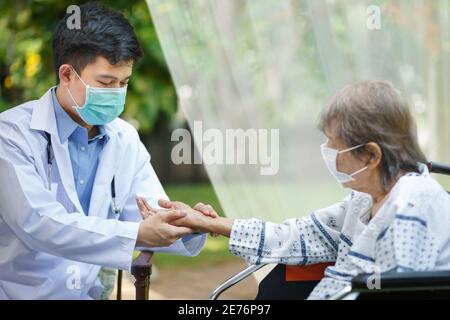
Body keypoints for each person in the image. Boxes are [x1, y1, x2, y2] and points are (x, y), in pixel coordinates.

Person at [138, 81, 450, 300]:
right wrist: (205, 222)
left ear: (371, 154)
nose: (326, 150)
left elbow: (396, 289)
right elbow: (299, 235)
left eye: (334, 143)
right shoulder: (365, 199)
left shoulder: (412, 206)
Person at [0, 3, 205, 299]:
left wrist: (189, 223)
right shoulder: (11, 134)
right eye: (105, 83)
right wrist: (136, 234)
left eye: (124, 83)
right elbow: (39, 223)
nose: (116, 94)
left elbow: (149, 212)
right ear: (67, 74)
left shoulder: (125, 138)